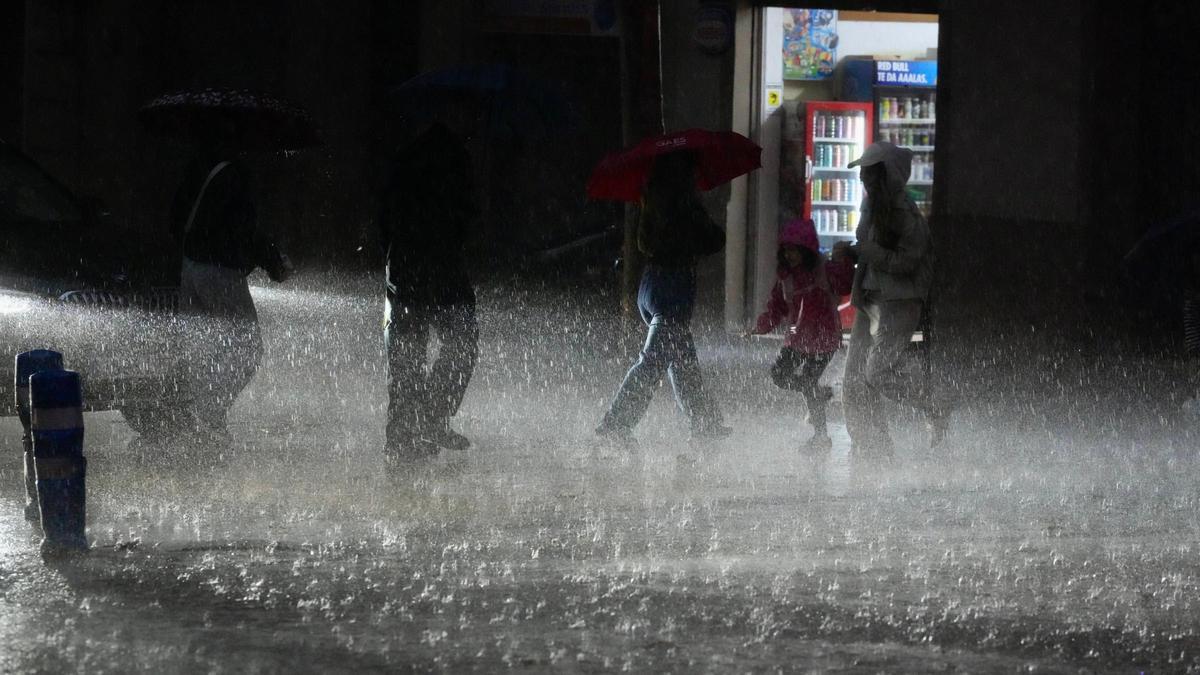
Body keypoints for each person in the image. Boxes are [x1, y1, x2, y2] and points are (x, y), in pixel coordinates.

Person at [595, 151, 730, 445]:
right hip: (674, 290)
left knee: (681, 361)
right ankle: (615, 425)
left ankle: (705, 423)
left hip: (651, 286)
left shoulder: (651, 199)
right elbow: (715, 240)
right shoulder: (686, 206)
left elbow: (644, 244)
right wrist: (699, 216)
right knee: (652, 362)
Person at [834, 141, 949, 459]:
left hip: (898, 303)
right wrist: (852, 251)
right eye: (863, 175)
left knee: (876, 373)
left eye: (871, 175)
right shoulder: (871, 208)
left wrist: (865, 252)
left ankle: (933, 404)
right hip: (869, 299)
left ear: (888, 178)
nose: (864, 181)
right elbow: (869, 249)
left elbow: (906, 263)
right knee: (854, 381)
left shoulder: (906, 216)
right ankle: (871, 445)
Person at [171, 149, 292, 445]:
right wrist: (274, 262)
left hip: (190, 267)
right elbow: (244, 230)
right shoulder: (236, 175)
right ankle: (209, 416)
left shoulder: (198, 165)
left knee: (205, 348)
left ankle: (201, 425)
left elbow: (175, 217)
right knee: (248, 347)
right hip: (219, 272)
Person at [379, 123, 480, 463]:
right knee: (460, 341)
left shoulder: (403, 160)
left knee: (407, 354)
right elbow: (468, 219)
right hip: (437, 266)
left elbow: (383, 217)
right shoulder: (456, 161)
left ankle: (406, 436)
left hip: (407, 267)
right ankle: (429, 419)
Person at [746, 217, 851, 453]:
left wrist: (846, 259)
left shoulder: (824, 271)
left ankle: (821, 436)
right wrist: (761, 326)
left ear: (807, 250)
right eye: (787, 250)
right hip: (796, 337)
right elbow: (777, 308)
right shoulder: (786, 279)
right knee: (780, 375)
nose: (791, 255)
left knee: (807, 382)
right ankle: (816, 393)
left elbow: (845, 283)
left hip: (824, 339)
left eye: (795, 250)